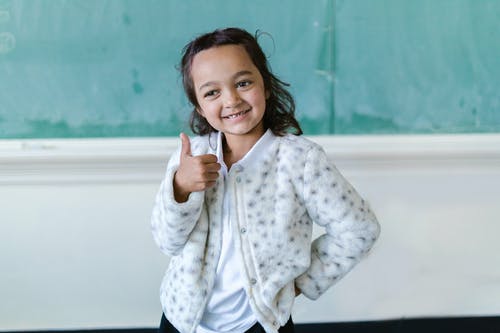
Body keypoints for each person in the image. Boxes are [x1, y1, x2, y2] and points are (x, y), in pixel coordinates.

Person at [151, 27, 380, 333]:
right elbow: (167, 242)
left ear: (266, 87)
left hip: (259, 325)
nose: (232, 99)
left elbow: (359, 229)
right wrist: (180, 188)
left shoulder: (300, 161)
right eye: (212, 92)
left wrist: (295, 285)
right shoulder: (190, 156)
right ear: (201, 109)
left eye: (243, 83)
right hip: (183, 321)